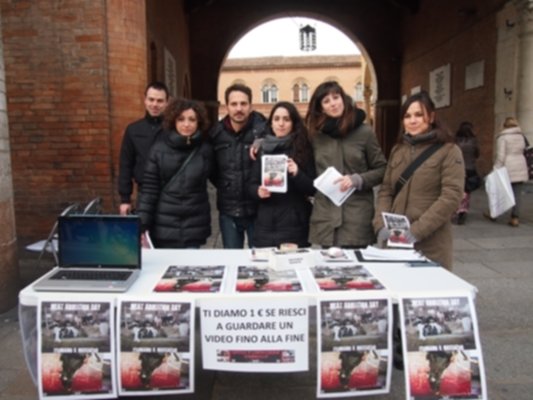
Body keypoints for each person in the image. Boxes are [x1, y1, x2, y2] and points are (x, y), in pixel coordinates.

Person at [373, 91, 464, 271]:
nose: (412, 121)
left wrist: (416, 231)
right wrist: (380, 224)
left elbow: (451, 197)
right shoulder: (398, 150)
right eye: (407, 116)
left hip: (430, 243)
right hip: (395, 241)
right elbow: (386, 190)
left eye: (419, 115)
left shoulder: (449, 151)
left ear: (431, 117)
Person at [305, 81, 387, 248]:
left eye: (336, 97)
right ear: (321, 108)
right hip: (326, 217)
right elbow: (292, 145)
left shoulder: (364, 132)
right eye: (326, 101)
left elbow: (382, 169)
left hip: (356, 217)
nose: (333, 103)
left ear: (343, 98)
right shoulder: (316, 136)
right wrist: (262, 143)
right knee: (326, 264)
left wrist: (357, 179)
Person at [136, 98, 213, 248]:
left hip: (194, 226)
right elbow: (149, 190)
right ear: (173, 121)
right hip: (164, 226)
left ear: (199, 122)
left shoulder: (205, 150)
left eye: (192, 119)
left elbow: (221, 177)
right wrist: (142, 223)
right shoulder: (158, 150)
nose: (186, 124)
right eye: (181, 119)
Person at [248, 101, 316, 248]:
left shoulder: (304, 148)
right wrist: (258, 191)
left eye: (286, 119)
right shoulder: (262, 149)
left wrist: (297, 173)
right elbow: (251, 184)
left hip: (294, 226)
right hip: (265, 224)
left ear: (293, 123)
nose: (281, 124)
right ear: (271, 123)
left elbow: (313, 188)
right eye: (276, 119)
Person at [210, 83, 266, 248]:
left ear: (251, 106)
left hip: (259, 209)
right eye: (234, 104)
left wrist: (264, 142)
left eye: (243, 103)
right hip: (229, 210)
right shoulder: (216, 134)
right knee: (232, 258)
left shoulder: (264, 131)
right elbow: (211, 169)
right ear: (226, 106)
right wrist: (226, 185)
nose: (239, 108)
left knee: (261, 258)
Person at [118, 81, 170, 215]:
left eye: (160, 101)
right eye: (151, 99)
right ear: (145, 100)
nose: (155, 104)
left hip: (171, 193)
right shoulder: (133, 130)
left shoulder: (173, 129)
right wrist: (125, 199)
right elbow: (126, 165)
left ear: (167, 103)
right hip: (144, 193)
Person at [484, 117, 529, 227]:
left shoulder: (503, 137)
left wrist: (495, 168)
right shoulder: (521, 136)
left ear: (504, 125)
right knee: (517, 193)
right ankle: (515, 218)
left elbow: (501, 155)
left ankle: (494, 214)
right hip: (520, 165)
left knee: (499, 191)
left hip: (507, 167)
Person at [453, 121, 480, 225]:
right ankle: (463, 210)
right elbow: (477, 154)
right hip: (470, 168)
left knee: (456, 189)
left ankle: (456, 208)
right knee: (466, 191)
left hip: (457, 168)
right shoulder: (473, 141)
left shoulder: (455, 141)